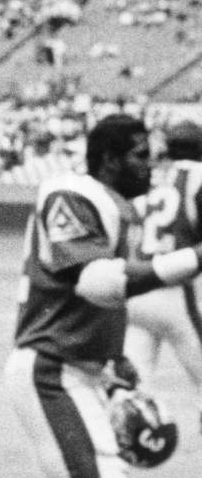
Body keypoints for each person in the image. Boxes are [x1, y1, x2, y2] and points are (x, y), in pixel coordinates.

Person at [4, 114, 202, 478]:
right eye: (140, 156)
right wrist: (194, 258)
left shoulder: (118, 207)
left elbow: (99, 302)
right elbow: (96, 283)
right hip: (51, 369)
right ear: (110, 160)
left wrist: (114, 357)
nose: (151, 166)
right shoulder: (72, 193)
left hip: (81, 370)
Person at [125, 119, 202, 431]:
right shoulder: (196, 176)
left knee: (131, 389)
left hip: (136, 290)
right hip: (176, 292)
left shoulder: (148, 177)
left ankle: (115, 460)